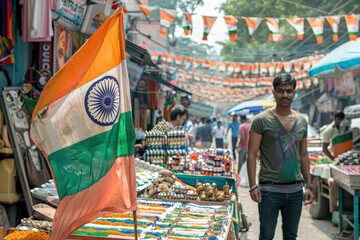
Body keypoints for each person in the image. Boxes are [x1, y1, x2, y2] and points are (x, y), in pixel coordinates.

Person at [247, 74, 313, 240]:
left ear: (294, 93)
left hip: (295, 191)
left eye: (289, 91)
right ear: (274, 93)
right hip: (269, 190)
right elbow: (252, 154)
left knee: (291, 236)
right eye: (280, 91)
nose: (285, 95)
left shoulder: (301, 121)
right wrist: (253, 186)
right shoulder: (261, 120)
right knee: (267, 236)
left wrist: (309, 184)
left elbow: (304, 155)